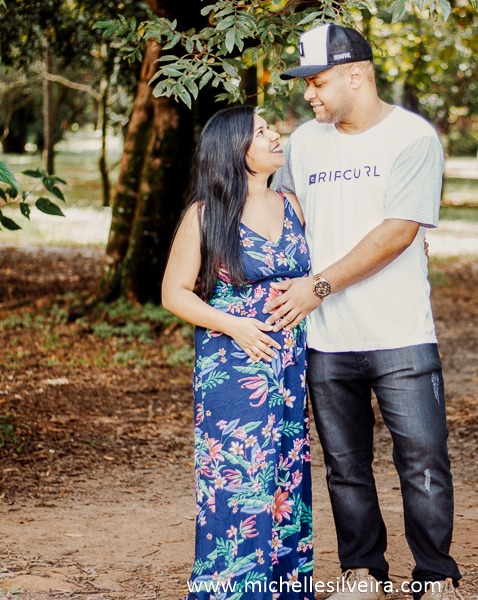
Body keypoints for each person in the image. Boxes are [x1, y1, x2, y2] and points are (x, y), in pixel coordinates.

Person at [264, 23, 463, 600]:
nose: (309, 94)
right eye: (306, 84)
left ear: (356, 74)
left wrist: (316, 287)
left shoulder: (412, 138)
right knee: (344, 465)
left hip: (400, 333)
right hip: (326, 340)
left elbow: (398, 232)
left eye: (318, 81)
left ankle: (434, 575)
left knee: (423, 462)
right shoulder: (303, 142)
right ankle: (362, 570)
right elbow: (287, 213)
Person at [161, 106, 313, 600]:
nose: (274, 136)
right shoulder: (206, 214)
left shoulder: (293, 204)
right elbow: (175, 293)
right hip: (232, 366)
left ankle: (287, 590)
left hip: (290, 363)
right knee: (236, 481)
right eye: (261, 131)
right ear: (234, 150)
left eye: (271, 128)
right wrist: (234, 326)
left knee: (286, 476)